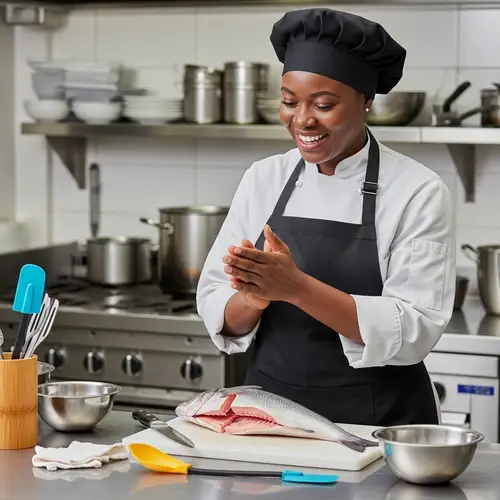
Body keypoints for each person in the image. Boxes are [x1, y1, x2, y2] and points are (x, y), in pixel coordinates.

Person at [196, 7, 455, 426]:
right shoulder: (266, 177)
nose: (302, 120)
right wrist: (253, 298)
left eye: (324, 104)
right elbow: (214, 300)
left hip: (377, 425)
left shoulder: (417, 191)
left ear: (367, 100)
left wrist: (296, 287)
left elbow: (413, 330)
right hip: (271, 418)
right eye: (289, 102)